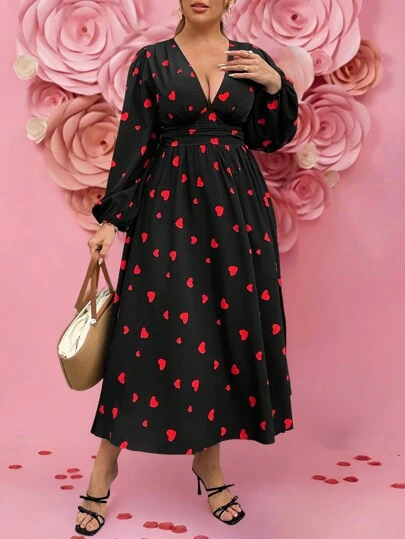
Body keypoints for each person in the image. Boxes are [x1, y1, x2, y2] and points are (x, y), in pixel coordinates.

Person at [75, 0, 298, 534]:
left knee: (220, 331)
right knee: (145, 333)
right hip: (168, 208)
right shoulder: (151, 61)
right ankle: (103, 468)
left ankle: (210, 464)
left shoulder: (250, 58)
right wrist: (113, 220)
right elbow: (134, 141)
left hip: (238, 211)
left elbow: (271, 137)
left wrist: (274, 85)